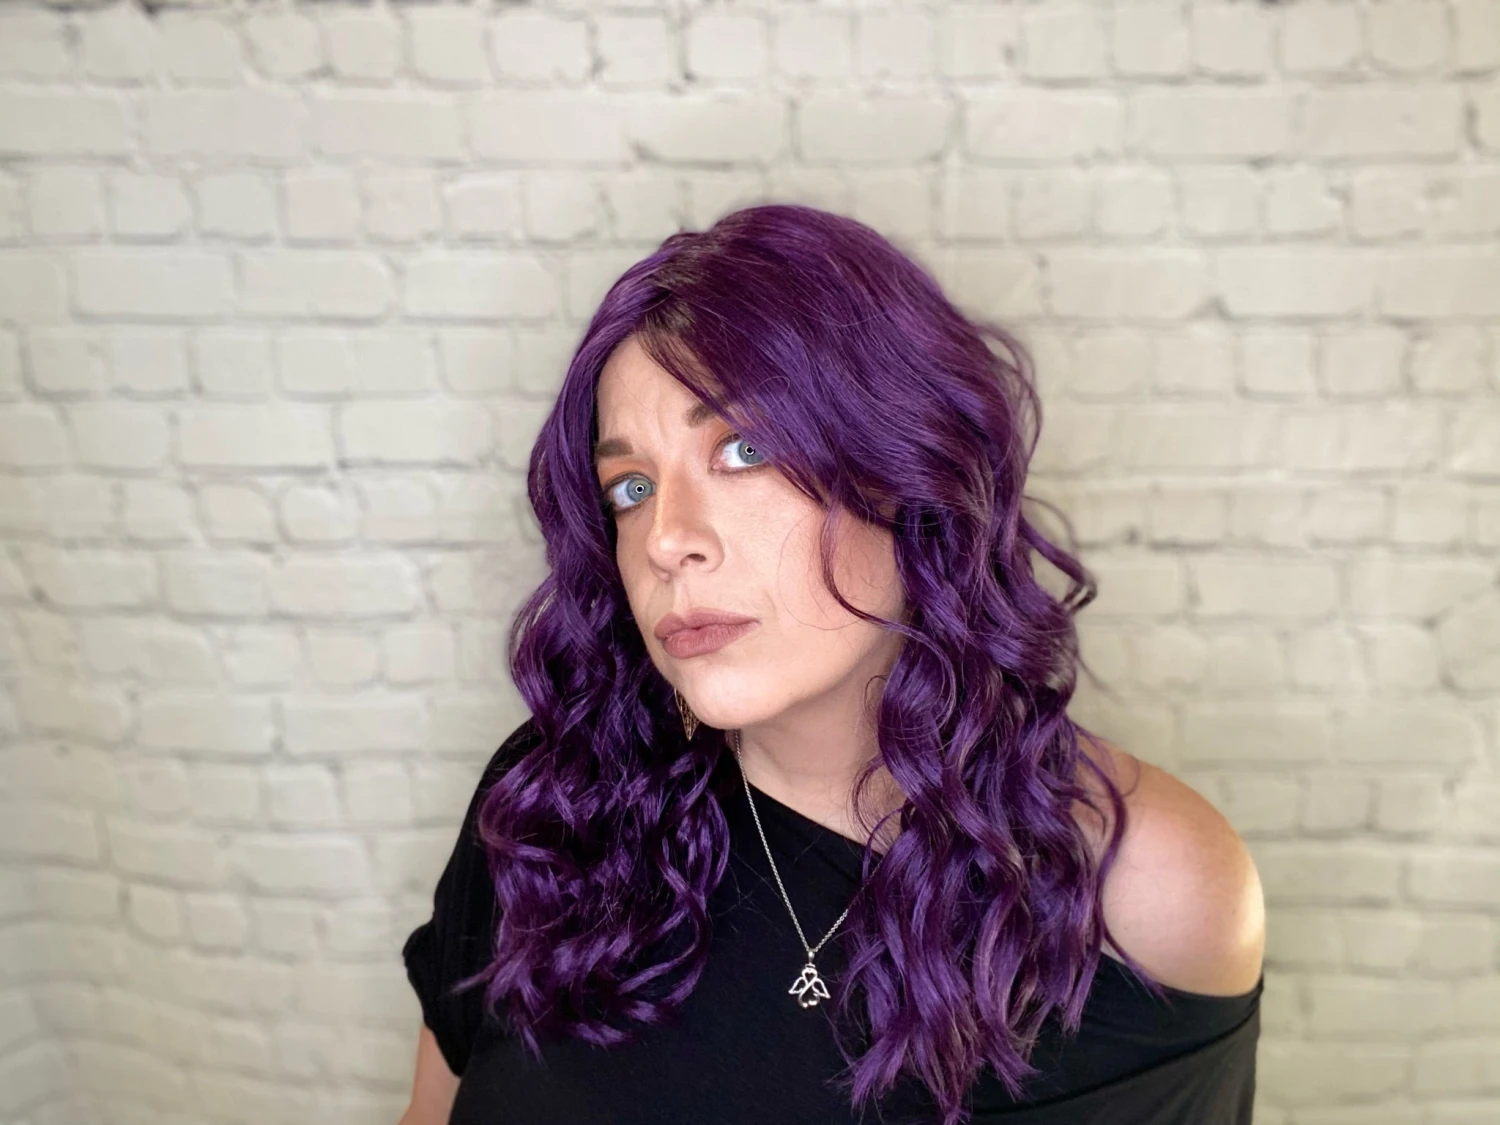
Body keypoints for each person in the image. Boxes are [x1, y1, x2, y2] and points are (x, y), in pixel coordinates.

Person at [398, 203, 1266, 1125]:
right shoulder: (553, 809)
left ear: (908, 466)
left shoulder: (1147, 889)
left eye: (744, 448)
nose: (667, 539)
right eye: (632, 487)